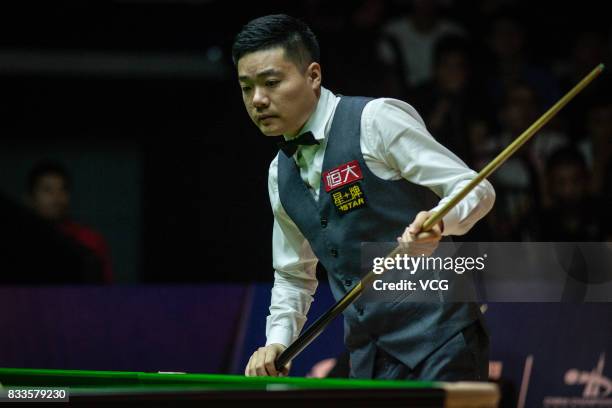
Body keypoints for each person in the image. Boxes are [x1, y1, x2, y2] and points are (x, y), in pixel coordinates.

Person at [233, 14, 495, 380]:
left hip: (441, 341)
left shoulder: (375, 121)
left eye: (271, 82)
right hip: (369, 355)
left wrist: (440, 222)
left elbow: (476, 188)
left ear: (313, 76)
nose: (258, 99)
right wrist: (278, 341)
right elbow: (294, 276)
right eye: (247, 88)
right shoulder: (280, 174)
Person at [26, 160, 113, 283]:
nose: (57, 197)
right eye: (47, 190)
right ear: (30, 198)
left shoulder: (91, 241)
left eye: (63, 189)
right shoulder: (14, 243)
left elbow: (104, 292)